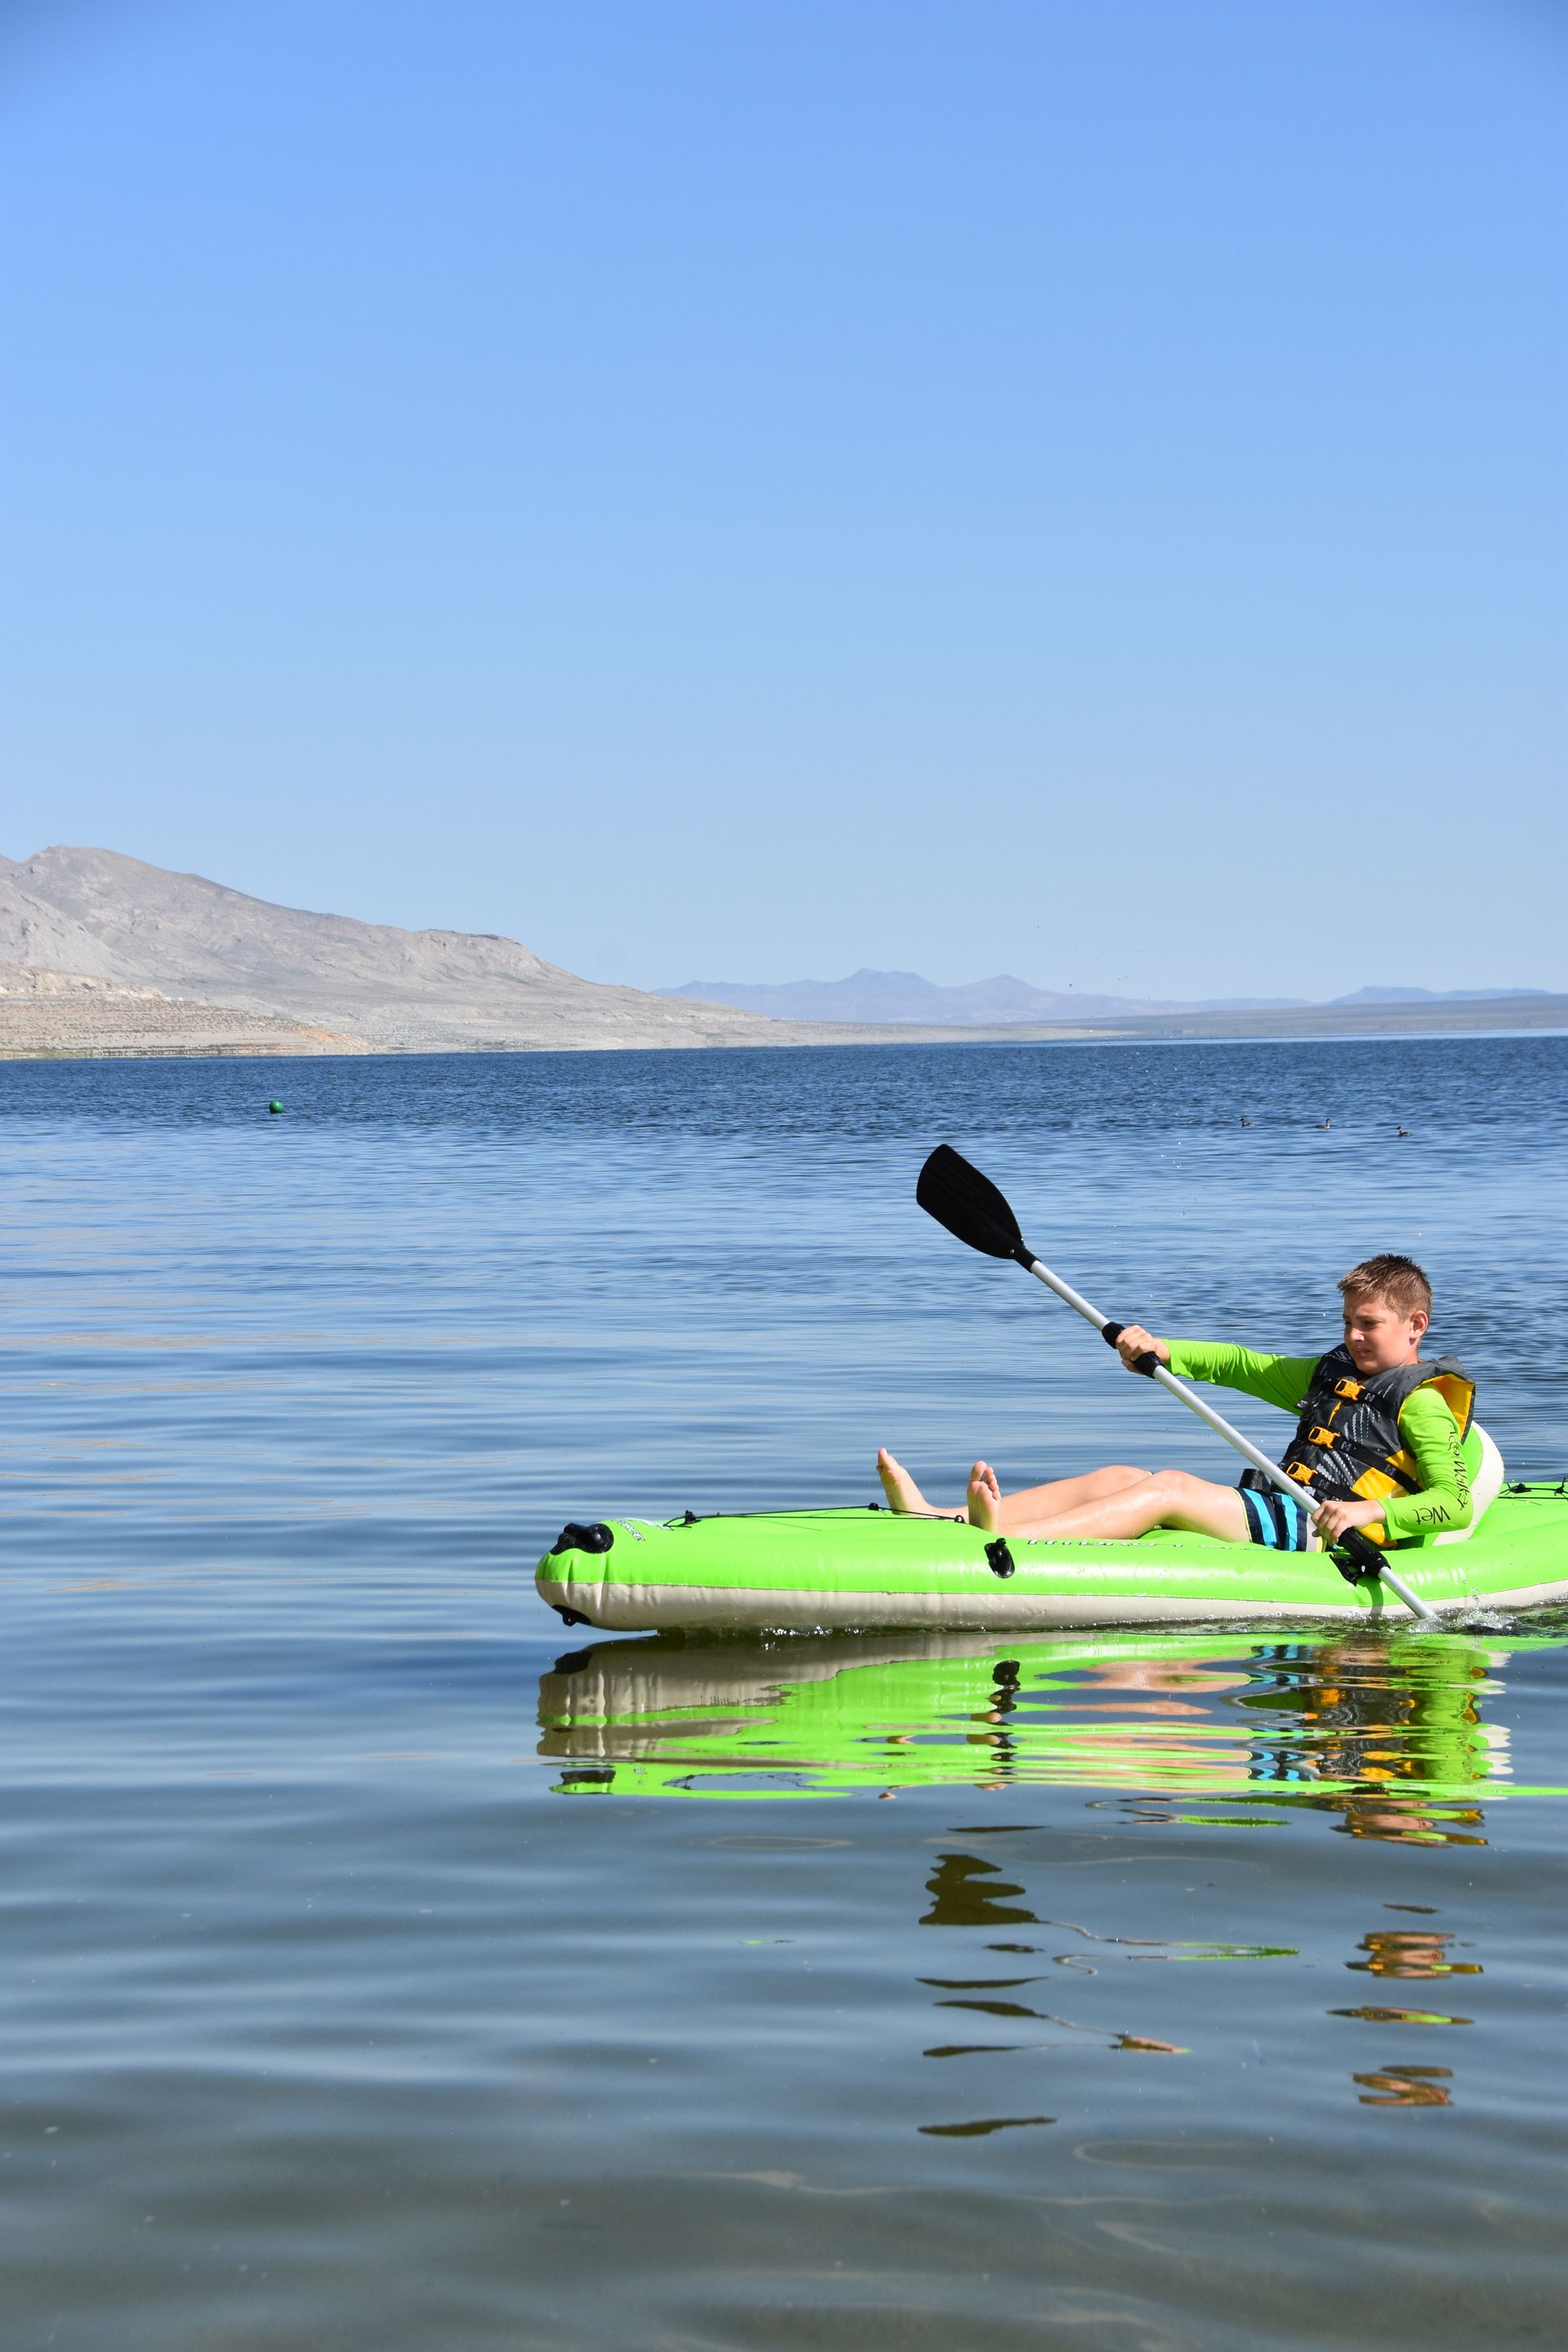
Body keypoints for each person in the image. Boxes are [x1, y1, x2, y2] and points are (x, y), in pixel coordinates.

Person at [875, 1254, 1475, 1553]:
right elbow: (1242, 1365)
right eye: (1347, 1322)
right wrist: (1164, 1350)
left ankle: (1014, 1548)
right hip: (1283, 1505)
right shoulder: (1334, 1371)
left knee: (1169, 1488)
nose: (1352, 1336)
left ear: (1415, 1324)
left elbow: (1453, 1505)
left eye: (1368, 1324)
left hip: (1329, 1530)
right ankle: (944, 1518)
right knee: (1120, 1476)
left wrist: (1369, 1517)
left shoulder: (1422, 1402)